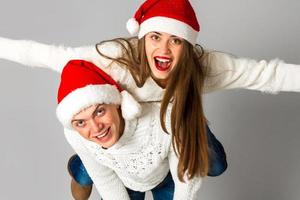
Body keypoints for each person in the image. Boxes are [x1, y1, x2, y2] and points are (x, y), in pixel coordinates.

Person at [0, 0, 299, 195]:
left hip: (172, 127)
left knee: (216, 165)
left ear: (188, 46)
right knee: (94, 165)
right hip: (121, 137)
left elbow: (267, 74)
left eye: (176, 40)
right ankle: (82, 164)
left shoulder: (203, 67)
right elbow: (46, 55)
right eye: (155, 37)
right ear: (142, 38)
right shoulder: (116, 59)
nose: (164, 50)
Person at [56, 59, 202, 200]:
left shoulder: (164, 121)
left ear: (116, 103)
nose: (96, 128)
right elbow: (106, 180)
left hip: (161, 173)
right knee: (84, 180)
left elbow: (187, 176)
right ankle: (82, 165)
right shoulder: (75, 135)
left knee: (214, 163)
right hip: (122, 177)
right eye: (81, 122)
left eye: (100, 111)